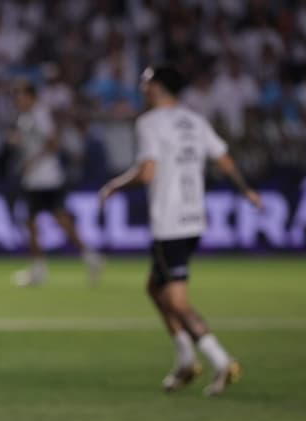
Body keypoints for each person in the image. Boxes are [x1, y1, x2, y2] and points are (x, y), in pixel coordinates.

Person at [98, 64, 262, 396]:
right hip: (194, 218)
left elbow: (146, 174)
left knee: (176, 300)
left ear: (157, 87)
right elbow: (223, 157)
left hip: (170, 221)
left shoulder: (150, 123)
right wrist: (245, 189)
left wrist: (114, 185)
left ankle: (221, 361)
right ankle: (186, 360)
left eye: (145, 82)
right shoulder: (195, 120)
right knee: (155, 288)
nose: (141, 88)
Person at [9, 81, 103, 286]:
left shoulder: (39, 114)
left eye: (21, 96)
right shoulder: (25, 118)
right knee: (35, 223)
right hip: (35, 180)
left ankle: (85, 257)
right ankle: (45, 267)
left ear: (31, 97)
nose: (18, 101)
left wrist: (32, 161)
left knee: (55, 222)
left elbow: (53, 143)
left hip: (47, 178)